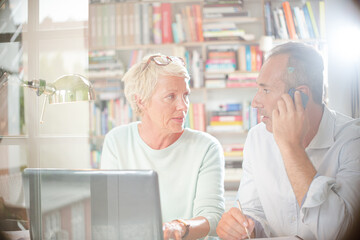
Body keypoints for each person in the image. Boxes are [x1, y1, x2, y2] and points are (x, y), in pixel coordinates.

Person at [216, 42, 360, 240]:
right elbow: (253, 210)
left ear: (300, 95)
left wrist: (292, 148)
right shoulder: (258, 138)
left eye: (265, 91)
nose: (255, 102)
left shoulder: (353, 141)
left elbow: (339, 232)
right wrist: (243, 227)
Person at [101, 54, 225, 240]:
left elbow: (213, 218)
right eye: (171, 97)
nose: (183, 106)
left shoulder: (206, 147)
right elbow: (110, 213)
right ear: (141, 100)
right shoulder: (117, 142)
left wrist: (180, 227)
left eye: (185, 96)